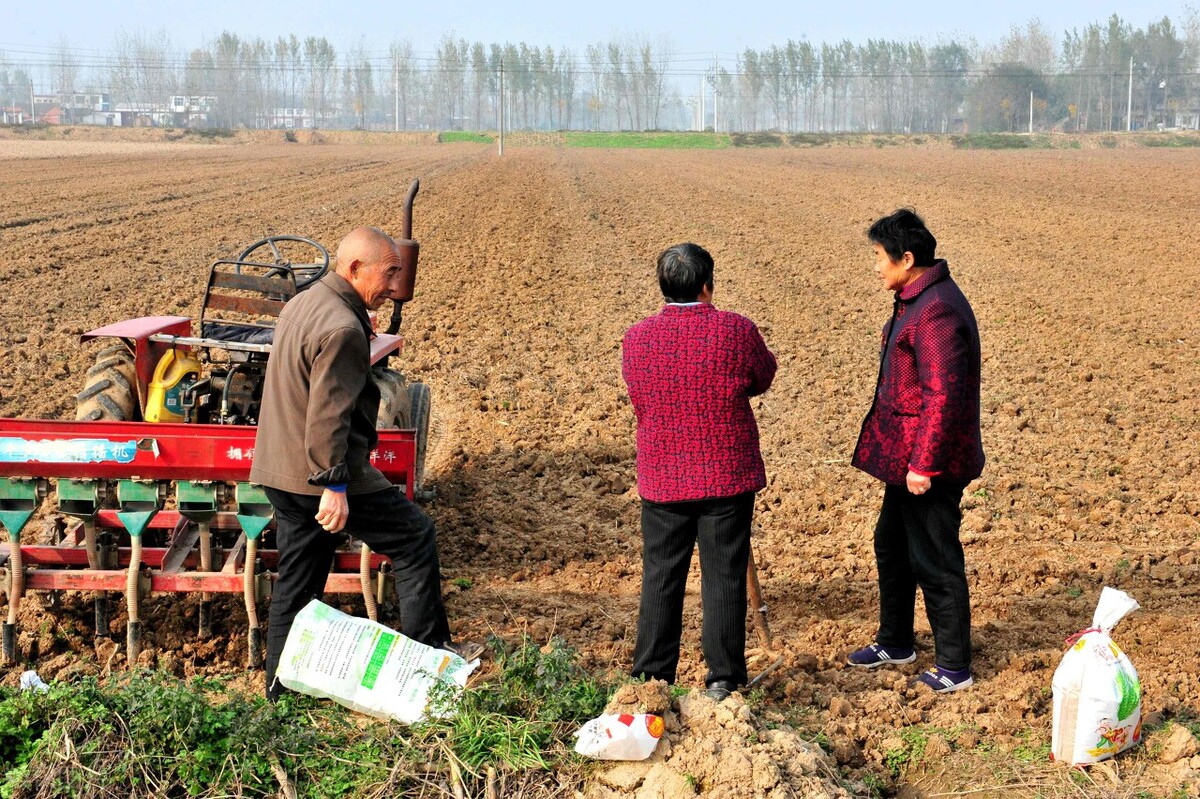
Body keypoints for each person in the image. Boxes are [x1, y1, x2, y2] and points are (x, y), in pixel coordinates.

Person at [250, 226, 478, 700]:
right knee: (415, 536)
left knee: (297, 582)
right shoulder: (343, 328)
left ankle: (277, 694)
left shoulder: (303, 303)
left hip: (280, 469)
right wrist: (334, 485)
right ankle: (428, 666)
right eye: (389, 273)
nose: (395, 285)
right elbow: (328, 414)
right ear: (355, 269)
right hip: (321, 475)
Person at [622, 242, 777, 701]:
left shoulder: (638, 338)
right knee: (724, 574)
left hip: (664, 475)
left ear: (663, 288)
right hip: (725, 475)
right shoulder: (736, 330)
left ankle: (651, 678)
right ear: (707, 284)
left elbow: (638, 393)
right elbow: (762, 376)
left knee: (661, 575)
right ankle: (723, 679)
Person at [848, 209, 984, 694]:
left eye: (881, 257)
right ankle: (896, 641)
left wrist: (924, 463)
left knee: (935, 558)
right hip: (907, 459)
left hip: (931, 463)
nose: (876, 267)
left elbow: (942, 394)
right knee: (892, 544)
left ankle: (954, 667)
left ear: (908, 259)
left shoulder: (936, 311)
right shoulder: (917, 299)